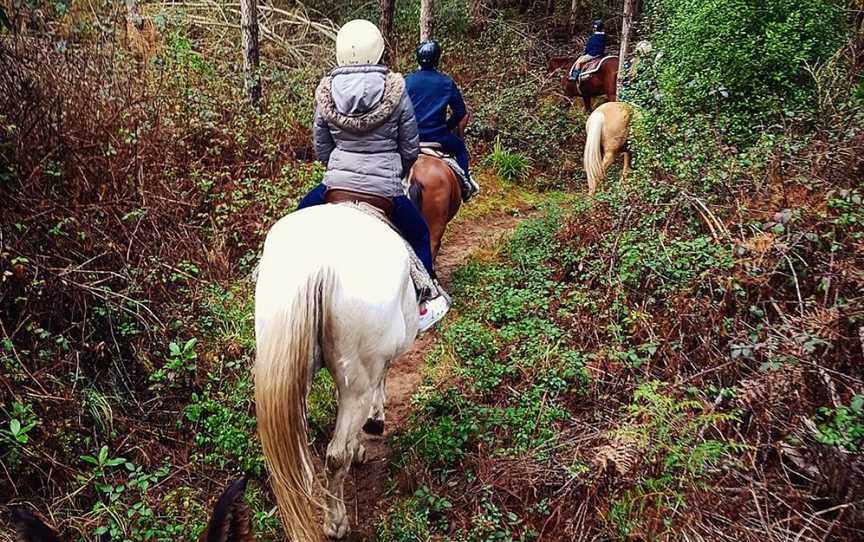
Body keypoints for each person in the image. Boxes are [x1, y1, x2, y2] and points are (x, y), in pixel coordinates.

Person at [296, 19, 449, 332]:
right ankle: (425, 300)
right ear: (379, 50)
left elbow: (322, 148)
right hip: (383, 189)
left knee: (297, 219)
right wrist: (400, 172)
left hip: (335, 186)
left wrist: (338, 170)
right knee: (420, 232)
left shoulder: (325, 93)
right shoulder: (396, 90)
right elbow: (410, 147)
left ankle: (272, 273)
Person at [405, 41, 479, 201]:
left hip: (410, 137)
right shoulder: (446, 82)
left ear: (418, 58)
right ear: (437, 59)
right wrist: (447, 126)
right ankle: (466, 184)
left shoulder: (407, 81)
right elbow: (460, 112)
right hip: (438, 137)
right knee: (460, 148)